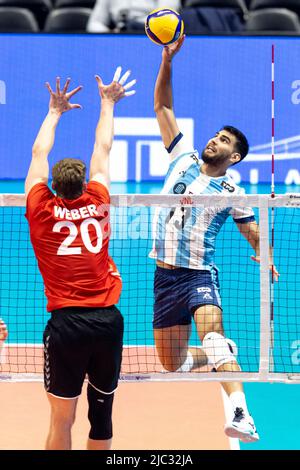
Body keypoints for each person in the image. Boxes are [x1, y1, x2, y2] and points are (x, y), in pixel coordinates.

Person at [150, 35, 279, 443]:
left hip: (198, 277)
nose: (214, 141)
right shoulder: (182, 157)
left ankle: (242, 414)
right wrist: (167, 59)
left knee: (212, 332)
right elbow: (163, 107)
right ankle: (219, 353)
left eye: (224, 141)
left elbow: (251, 229)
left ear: (234, 156)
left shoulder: (233, 192)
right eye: (215, 136)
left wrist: (264, 253)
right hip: (164, 276)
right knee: (172, 364)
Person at [25, 68, 136, 450]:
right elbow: (103, 150)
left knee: (62, 420)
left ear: (52, 187)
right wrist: (108, 103)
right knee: (101, 419)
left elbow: (39, 153)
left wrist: (55, 111)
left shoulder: (40, 209)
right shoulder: (99, 201)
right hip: (107, 323)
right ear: (85, 181)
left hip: (66, 326)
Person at [87, 0, 181, 33]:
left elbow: (166, 17)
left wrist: (135, 26)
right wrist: (110, 33)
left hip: (151, 37)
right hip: (119, 37)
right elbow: (94, 24)